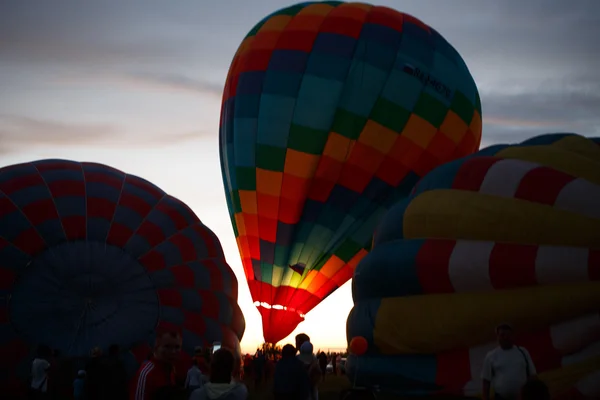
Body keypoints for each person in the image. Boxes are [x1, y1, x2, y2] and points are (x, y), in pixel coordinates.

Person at [481, 324, 537, 400]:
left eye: (508, 335)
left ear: (512, 336)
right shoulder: (491, 356)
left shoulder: (522, 352)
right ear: (498, 337)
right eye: (502, 335)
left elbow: (532, 375)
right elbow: (486, 381)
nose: (505, 337)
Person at [130, 330, 185, 400]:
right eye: (167, 346)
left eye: (177, 347)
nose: (173, 351)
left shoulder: (170, 370)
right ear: (156, 348)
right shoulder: (147, 374)